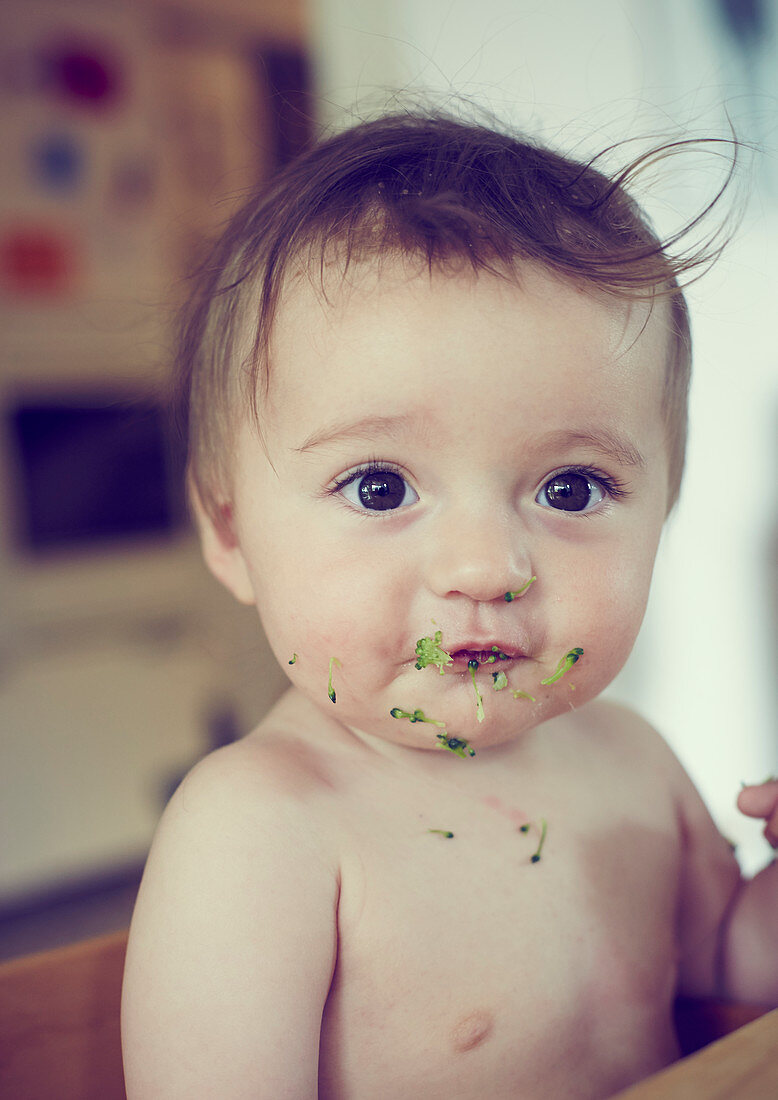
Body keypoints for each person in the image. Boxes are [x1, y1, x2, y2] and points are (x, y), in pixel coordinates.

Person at [120, 112, 778, 1099]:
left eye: (570, 489)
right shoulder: (261, 828)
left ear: (664, 508)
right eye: (379, 486)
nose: (484, 568)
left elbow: (728, 966)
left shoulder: (631, 758)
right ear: (228, 530)